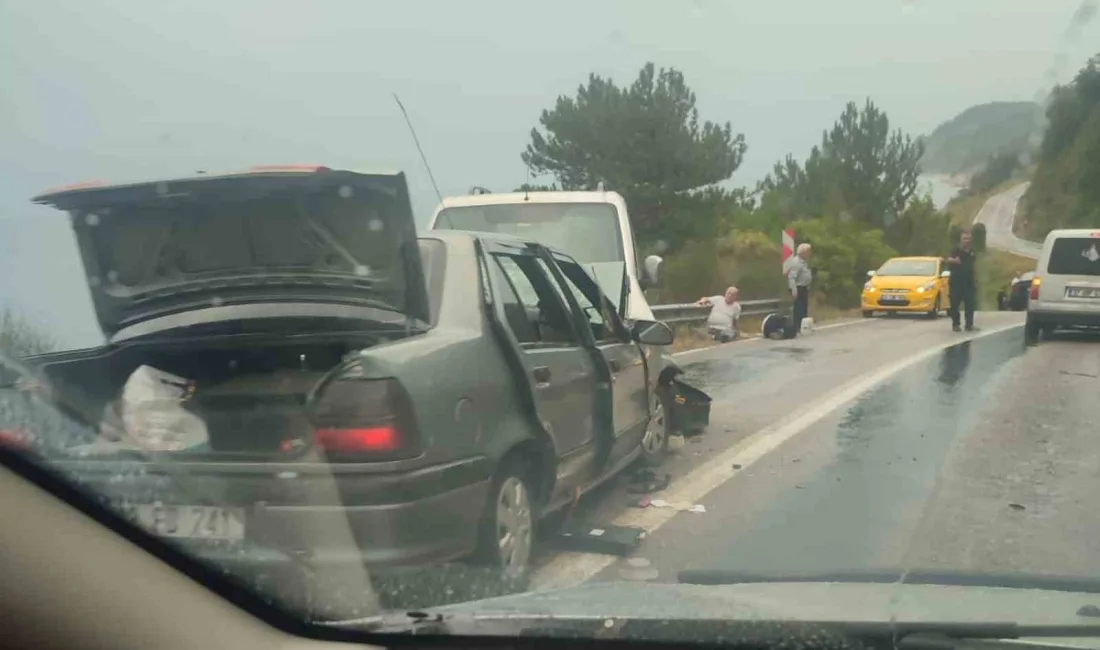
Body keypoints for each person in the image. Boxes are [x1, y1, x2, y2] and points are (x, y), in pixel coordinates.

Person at [946, 231, 978, 332]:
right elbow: (948, 259)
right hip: (956, 283)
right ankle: (956, 324)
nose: (967, 241)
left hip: (969, 283)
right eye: (965, 239)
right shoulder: (956, 250)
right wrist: (954, 261)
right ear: (961, 240)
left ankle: (969, 325)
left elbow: (973, 264)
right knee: (954, 305)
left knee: (970, 305)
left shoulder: (972, 252)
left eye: (969, 239)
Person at [785, 243, 813, 339]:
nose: (809, 254)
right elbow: (792, 277)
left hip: (803, 287)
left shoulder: (804, 262)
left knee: (803, 307)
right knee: (798, 308)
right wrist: (794, 291)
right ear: (803, 252)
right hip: (798, 287)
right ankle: (797, 327)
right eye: (808, 251)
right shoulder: (796, 262)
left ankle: (803, 326)